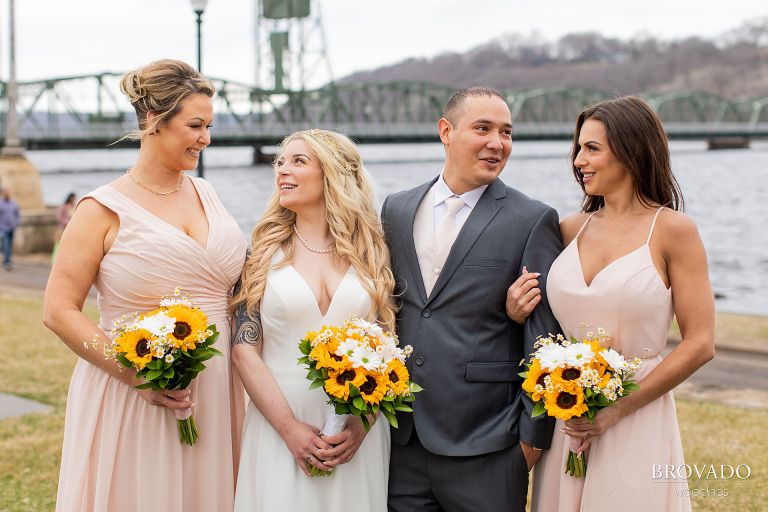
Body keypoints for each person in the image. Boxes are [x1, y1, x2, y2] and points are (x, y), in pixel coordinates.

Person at [43, 59, 247, 512]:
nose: (205, 139)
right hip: (136, 393)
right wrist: (137, 375)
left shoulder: (207, 193)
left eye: (209, 126)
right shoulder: (100, 209)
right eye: (195, 125)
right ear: (154, 120)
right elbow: (58, 310)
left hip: (218, 389)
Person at [511, 96, 715, 511]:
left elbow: (700, 344)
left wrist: (617, 410)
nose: (578, 160)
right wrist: (516, 311)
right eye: (578, 148)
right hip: (568, 416)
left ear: (631, 149)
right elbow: (542, 322)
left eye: (592, 148)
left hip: (638, 416)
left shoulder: (673, 231)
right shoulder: (566, 229)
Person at [381, 87, 562, 512]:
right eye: (483, 128)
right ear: (446, 131)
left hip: (489, 444)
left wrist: (530, 440)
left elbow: (546, 339)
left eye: (506, 132)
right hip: (401, 439)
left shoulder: (532, 219)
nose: (497, 143)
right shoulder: (396, 208)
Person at [231, 129, 396, 511]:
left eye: (298, 161)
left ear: (333, 174)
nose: (282, 170)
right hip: (278, 423)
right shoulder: (260, 255)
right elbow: (244, 351)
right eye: (281, 162)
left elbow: (388, 350)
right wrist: (289, 429)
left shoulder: (372, 254)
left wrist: (363, 424)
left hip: (355, 434)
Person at [51, 191, 76, 262]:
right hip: (62, 229)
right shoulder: (62, 207)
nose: (74, 199)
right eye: (74, 198)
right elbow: (59, 218)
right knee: (59, 245)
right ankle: (55, 259)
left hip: (71, 229)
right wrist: (68, 223)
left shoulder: (74, 206)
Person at [0, 187, 20, 270]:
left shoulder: (14, 203)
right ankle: (7, 262)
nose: (7, 194)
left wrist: (16, 223)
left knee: (9, 245)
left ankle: (7, 259)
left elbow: (17, 214)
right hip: (2, 228)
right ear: (2, 193)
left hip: (12, 228)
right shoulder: (0, 203)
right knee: (6, 245)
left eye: (8, 192)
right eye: (5, 193)